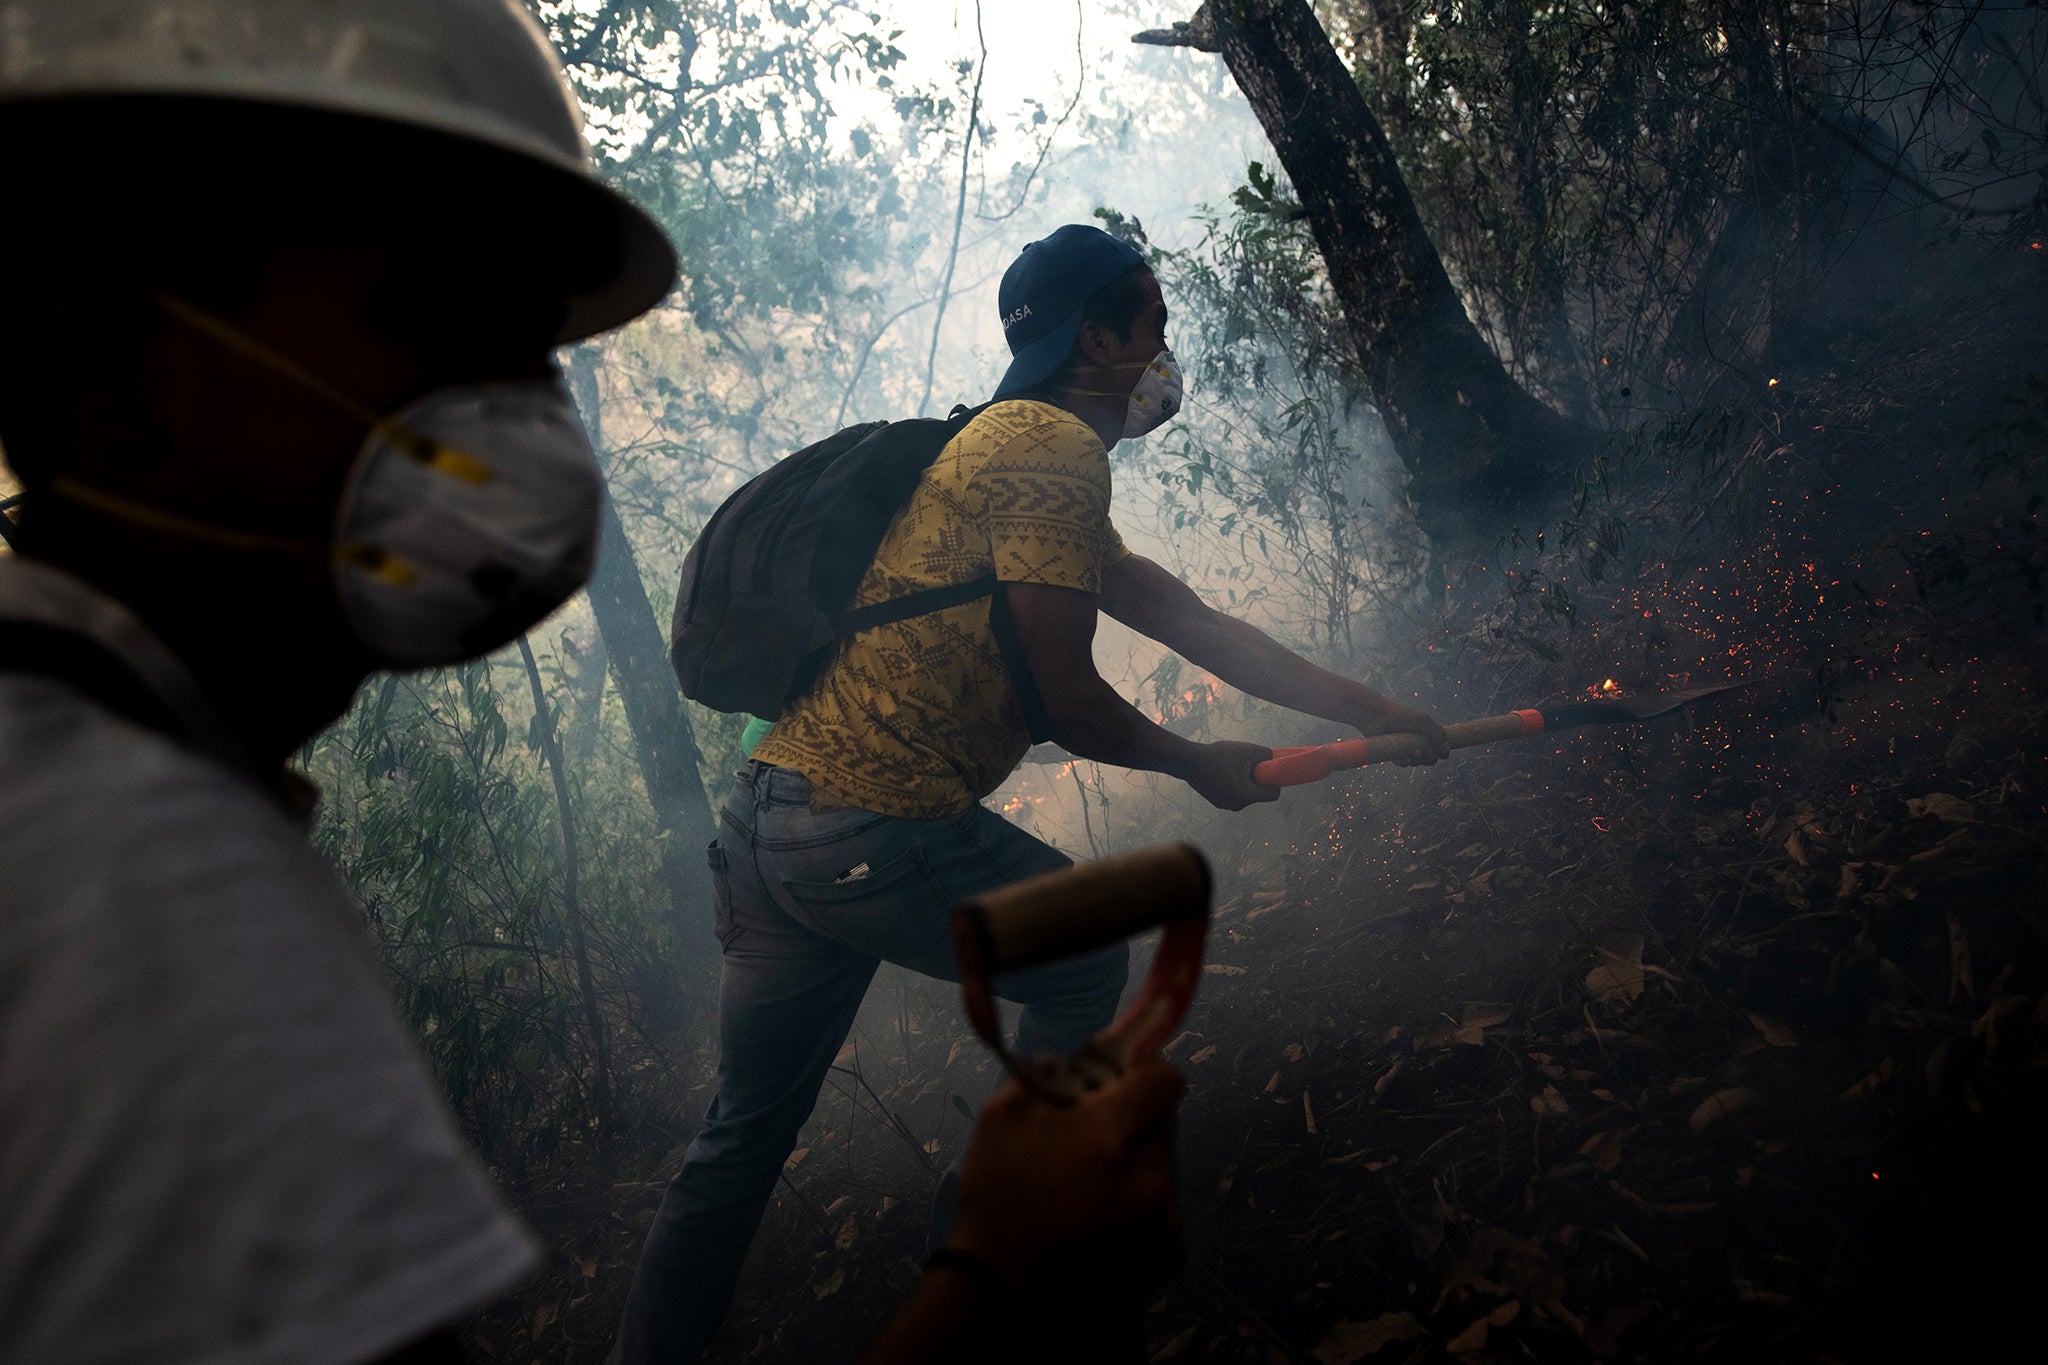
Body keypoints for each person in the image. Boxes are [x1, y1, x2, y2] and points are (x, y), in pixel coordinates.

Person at [0, 5, 1181, 1363]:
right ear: (108, 372)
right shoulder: (119, 877)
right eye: (427, 318)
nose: (514, 427)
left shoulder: (113, 789)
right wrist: (1000, 1274)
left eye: (524, 347)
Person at [614, 223, 1451, 1361]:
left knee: (740, 1140)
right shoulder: (1047, 452)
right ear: (1096, 338)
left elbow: (1187, 621)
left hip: (770, 829)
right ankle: (995, 1275)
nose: (1165, 344)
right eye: (1150, 320)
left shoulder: (1013, 458)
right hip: (866, 826)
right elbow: (1065, 696)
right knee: (1087, 957)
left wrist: (1370, 709)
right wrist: (1198, 765)